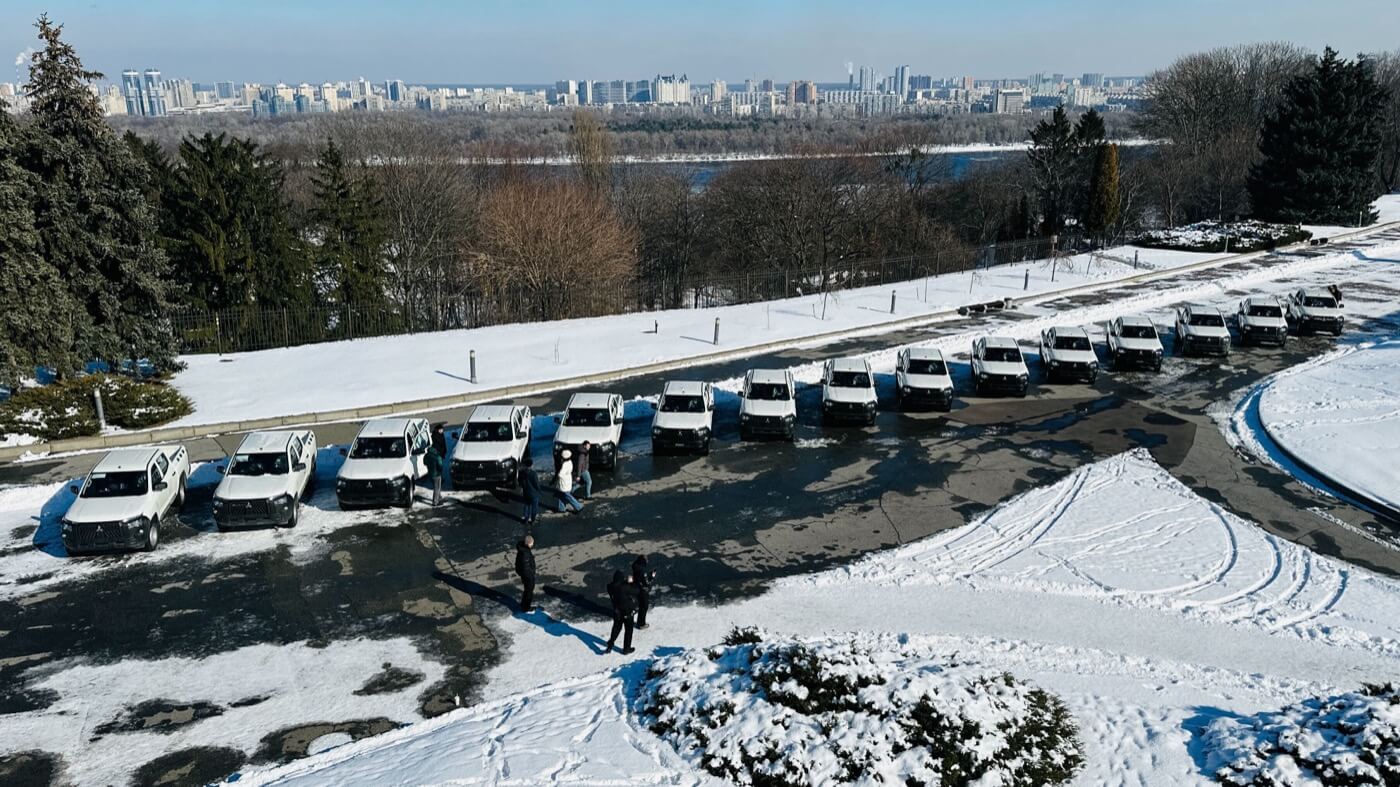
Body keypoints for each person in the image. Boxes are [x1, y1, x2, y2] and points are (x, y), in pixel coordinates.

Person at [605, 570, 639, 654]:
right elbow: (636, 591)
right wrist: (631, 582)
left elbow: (617, 585)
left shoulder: (610, 587)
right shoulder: (624, 587)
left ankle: (610, 644)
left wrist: (625, 582)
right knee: (628, 630)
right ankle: (626, 648)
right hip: (627, 611)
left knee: (616, 628)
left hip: (617, 611)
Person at [632, 554, 656, 629]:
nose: (647, 561)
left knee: (641, 605)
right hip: (642, 590)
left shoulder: (635, 566)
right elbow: (646, 582)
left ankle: (639, 621)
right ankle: (641, 623)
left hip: (636, 587)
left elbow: (642, 577)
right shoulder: (642, 571)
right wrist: (652, 577)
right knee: (644, 606)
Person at [515, 535, 537, 613]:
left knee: (527, 590)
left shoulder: (523, 550)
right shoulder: (525, 553)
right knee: (529, 591)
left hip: (525, 575)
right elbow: (526, 567)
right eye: (532, 543)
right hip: (528, 576)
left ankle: (524, 604)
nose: (532, 545)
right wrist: (531, 575)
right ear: (529, 543)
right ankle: (526, 607)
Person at [520, 457, 542, 526]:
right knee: (534, 507)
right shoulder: (533, 473)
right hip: (534, 493)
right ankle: (533, 520)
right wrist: (540, 491)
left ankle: (526, 519)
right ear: (531, 465)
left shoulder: (522, 473)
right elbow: (536, 484)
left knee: (526, 505)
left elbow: (520, 482)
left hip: (526, 492)